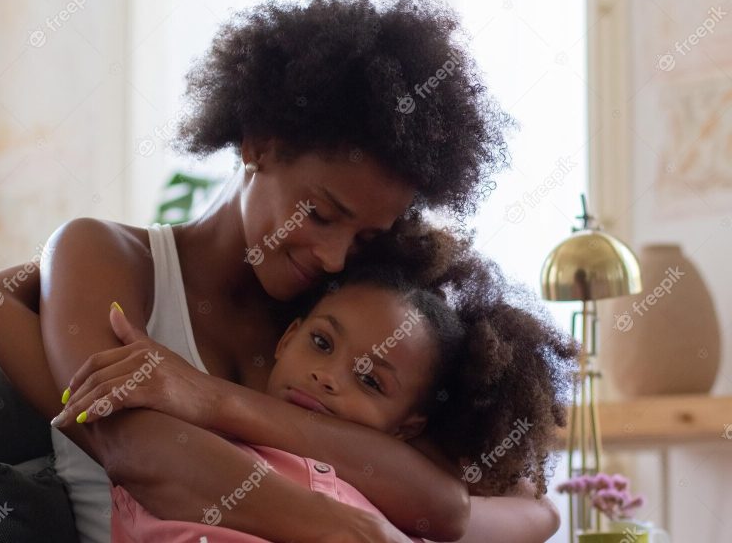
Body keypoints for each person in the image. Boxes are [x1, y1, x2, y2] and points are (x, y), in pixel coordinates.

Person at [0, 0, 559, 542]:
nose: (332, 256)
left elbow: (498, 508)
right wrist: (358, 532)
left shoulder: (336, 322)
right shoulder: (113, 258)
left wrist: (216, 399)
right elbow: (141, 454)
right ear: (258, 143)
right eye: (320, 214)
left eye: (365, 239)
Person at [52, 224, 576, 543]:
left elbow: (533, 510)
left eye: (370, 380)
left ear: (408, 426)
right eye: (323, 345)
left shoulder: (398, 482)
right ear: (287, 340)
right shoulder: (202, 452)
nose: (327, 377)